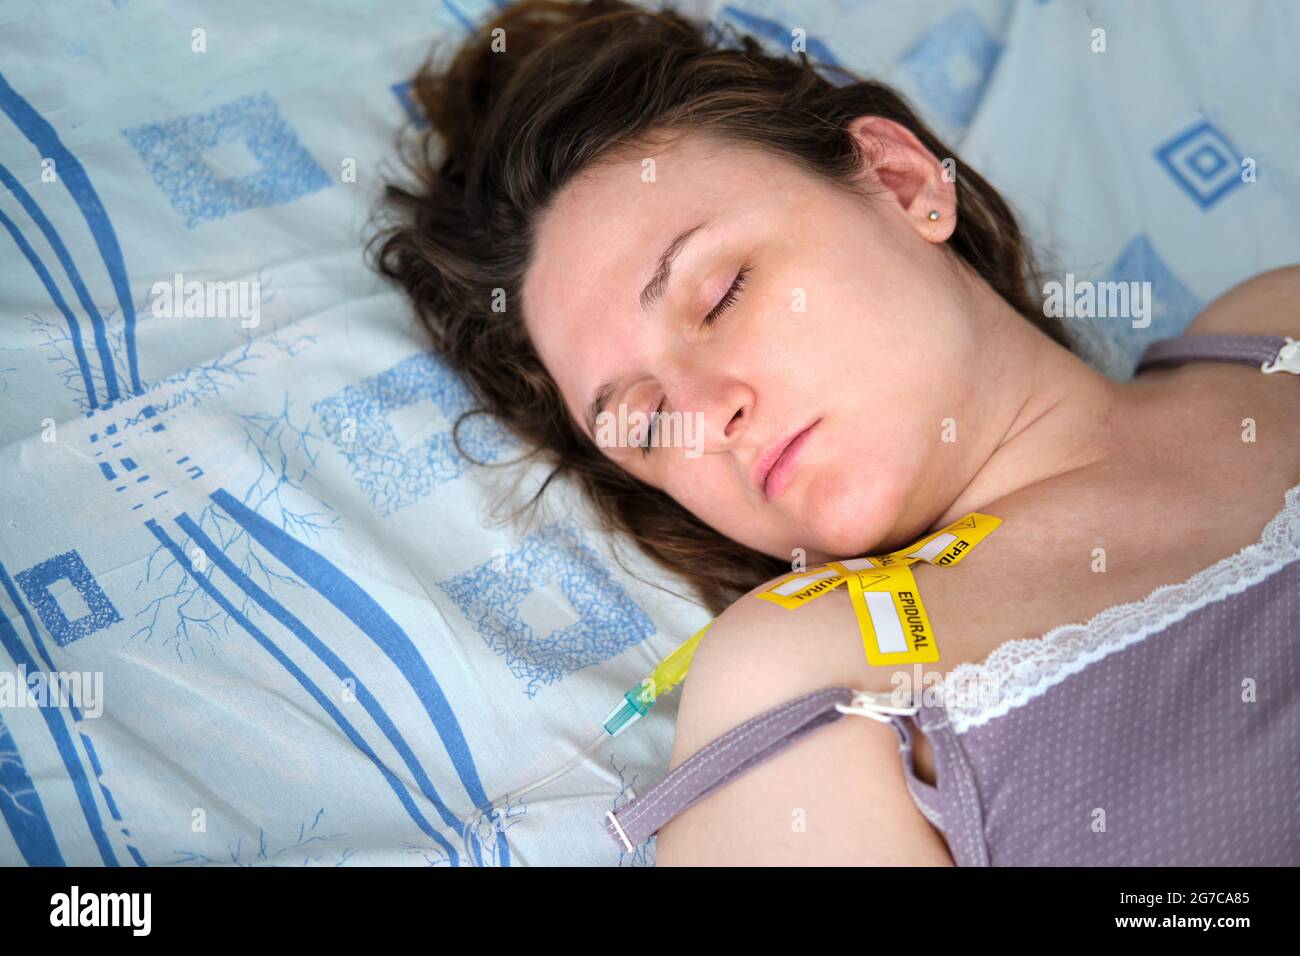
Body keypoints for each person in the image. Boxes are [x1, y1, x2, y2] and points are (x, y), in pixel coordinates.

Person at [372, 0, 1300, 864]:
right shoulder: (801, 667)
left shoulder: (1276, 328)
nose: (706, 413)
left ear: (900, 183)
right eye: (646, 422)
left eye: (721, 292)